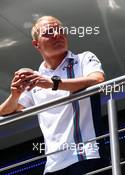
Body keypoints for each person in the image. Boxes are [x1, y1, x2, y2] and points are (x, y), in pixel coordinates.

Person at [0, 16, 107, 175]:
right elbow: (4, 111)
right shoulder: (36, 78)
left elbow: (97, 79)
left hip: (87, 155)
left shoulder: (83, 58)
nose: (57, 34)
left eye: (60, 30)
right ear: (36, 44)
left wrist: (53, 83)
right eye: (49, 32)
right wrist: (15, 94)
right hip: (53, 166)